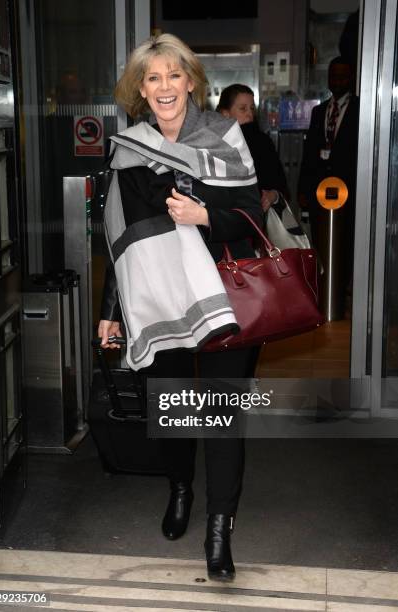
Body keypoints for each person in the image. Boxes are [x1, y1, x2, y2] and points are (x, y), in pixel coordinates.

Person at [98, 34, 263, 582]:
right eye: (153, 78)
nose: (165, 87)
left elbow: (249, 216)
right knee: (171, 408)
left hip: (226, 294)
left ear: (191, 81)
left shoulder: (225, 135)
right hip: (162, 298)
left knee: (218, 416)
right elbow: (123, 243)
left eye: (174, 75)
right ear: (140, 90)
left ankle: (220, 529)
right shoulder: (130, 148)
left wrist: (206, 218)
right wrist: (113, 310)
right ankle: (181, 488)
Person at [298, 57, 359, 316]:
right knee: (320, 242)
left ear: (352, 78)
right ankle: (321, 291)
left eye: (343, 76)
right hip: (319, 191)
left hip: (350, 191)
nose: (338, 80)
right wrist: (303, 188)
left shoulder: (361, 108)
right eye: (334, 75)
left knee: (346, 243)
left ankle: (342, 294)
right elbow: (309, 152)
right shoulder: (319, 111)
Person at [216, 83, 289, 212]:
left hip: (259, 221)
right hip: (222, 222)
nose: (250, 114)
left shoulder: (263, 142)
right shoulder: (212, 144)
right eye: (243, 109)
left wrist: (273, 195)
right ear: (225, 113)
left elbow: (281, 187)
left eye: (252, 108)